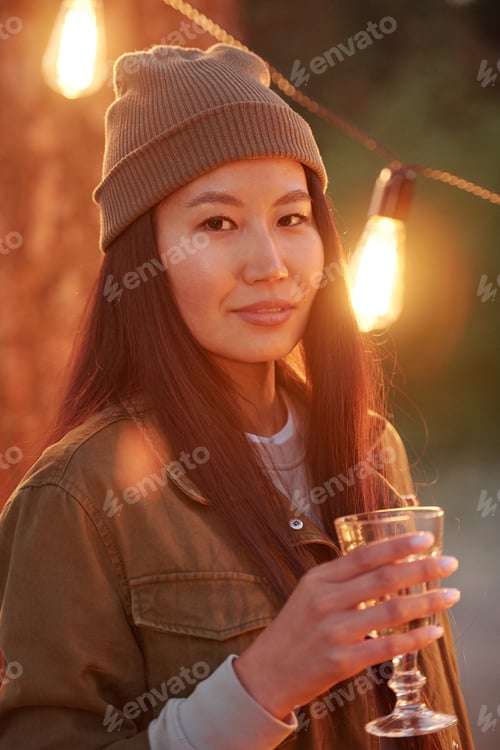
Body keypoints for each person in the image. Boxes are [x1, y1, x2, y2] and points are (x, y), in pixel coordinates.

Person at [0, 44, 473, 750]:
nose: (271, 266)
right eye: (216, 225)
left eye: (291, 219)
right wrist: (260, 688)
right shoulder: (77, 497)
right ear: (145, 260)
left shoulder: (372, 448)